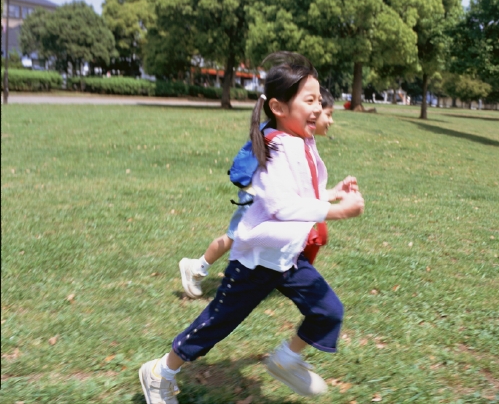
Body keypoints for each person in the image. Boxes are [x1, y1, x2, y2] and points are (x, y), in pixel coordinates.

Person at [139, 52, 364, 404]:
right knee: (218, 323)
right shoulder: (276, 147)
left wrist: (332, 193)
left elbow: (299, 194)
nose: (319, 108)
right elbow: (281, 206)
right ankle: (160, 372)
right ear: (278, 106)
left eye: (319, 99)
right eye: (309, 100)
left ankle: (287, 360)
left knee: (328, 310)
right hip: (256, 262)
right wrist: (337, 212)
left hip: (288, 257)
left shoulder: (300, 140)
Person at [179, 86, 336, 299]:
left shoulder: (300, 138)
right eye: (328, 114)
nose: (330, 120)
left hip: (266, 198)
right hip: (256, 196)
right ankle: (196, 267)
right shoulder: (285, 138)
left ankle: (266, 277)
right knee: (235, 236)